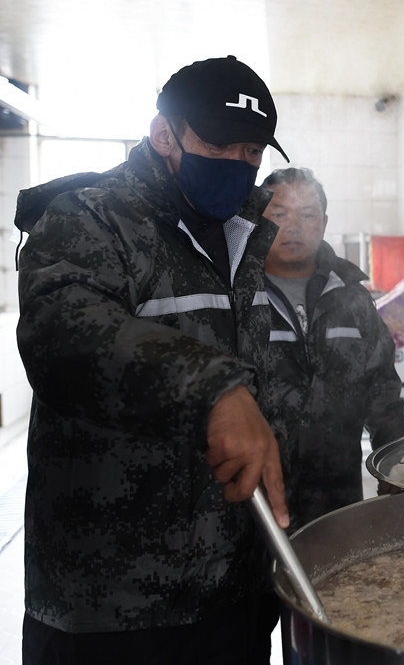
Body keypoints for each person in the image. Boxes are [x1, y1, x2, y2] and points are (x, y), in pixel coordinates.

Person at [16, 56, 291, 665]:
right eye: (219, 144)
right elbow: (61, 334)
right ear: (164, 134)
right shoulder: (89, 217)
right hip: (116, 602)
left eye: (252, 151)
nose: (238, 163)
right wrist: (213, 387)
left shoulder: (243, 234)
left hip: (230, 589)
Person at [258, 167, 404, 663]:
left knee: (330, 627)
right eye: (279, 214)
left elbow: (382, 388)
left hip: (335, 499)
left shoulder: (351, 296)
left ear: (325, 222)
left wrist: (397, 469)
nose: (293, 227)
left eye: (307, 215)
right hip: (251, 507)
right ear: (256, 218)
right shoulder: (236, 292)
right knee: (248, 629)